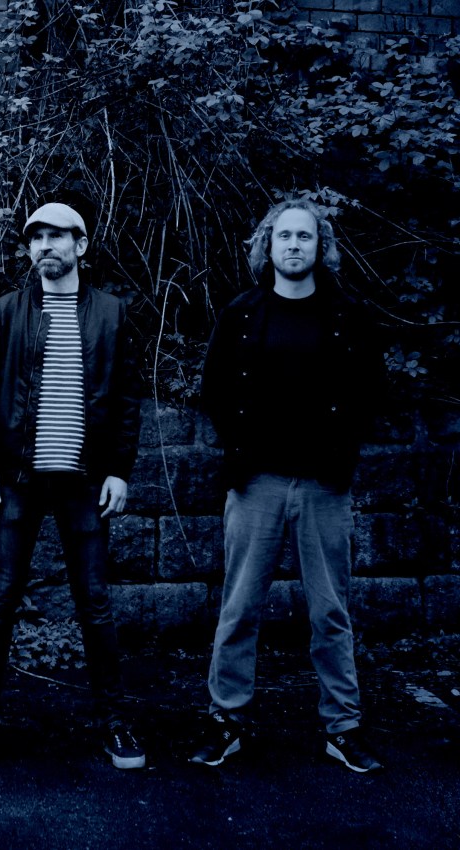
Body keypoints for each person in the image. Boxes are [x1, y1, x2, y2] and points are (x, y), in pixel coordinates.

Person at [189, 198, 385, 773]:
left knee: (330, 612)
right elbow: (215, 389)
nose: (294, 245)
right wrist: (242, 449)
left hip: (325, 485)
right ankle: (227, 721)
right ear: (267, 246)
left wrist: (340, 448)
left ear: (320, 247)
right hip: (257, 484)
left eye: (304, 236)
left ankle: (342, 727)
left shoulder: (348, 313)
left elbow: (371, 389)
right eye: (284, 236)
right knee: (239, 609)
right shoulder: (242, 313)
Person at [0, 202, 143, 771]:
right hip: (18, 478)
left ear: (81, 246)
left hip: (85, 481)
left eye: (56, 236)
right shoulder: (7, 311)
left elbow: (126, 398)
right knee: (0, 599)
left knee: (95, 603)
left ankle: (115, 722)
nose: (44, 246)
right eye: (36, 237)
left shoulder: (111, 312)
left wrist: (119, 470)